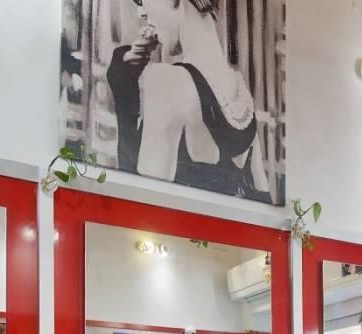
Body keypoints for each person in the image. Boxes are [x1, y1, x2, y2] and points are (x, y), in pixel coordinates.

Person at [106, 0, 266, 201]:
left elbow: (144, 201)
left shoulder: (167, 81)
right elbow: (263, 196)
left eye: (145, 3)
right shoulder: (241, 91)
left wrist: (122, 84)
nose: (143, 15)